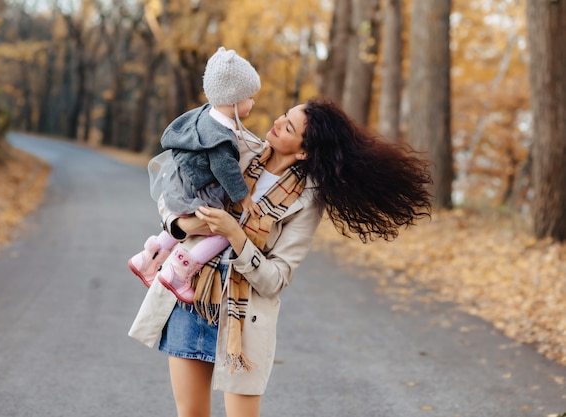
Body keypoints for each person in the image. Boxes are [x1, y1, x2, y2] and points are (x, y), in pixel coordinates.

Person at [128, 97, 433, 417]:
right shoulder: (238, 149)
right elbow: (174, 192)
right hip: (188, 299)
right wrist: (183, 225)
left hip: (242, 319)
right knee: (190, 413)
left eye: (288, 127)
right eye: (285, 115)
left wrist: (235, 234)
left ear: (304, 152)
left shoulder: (307, 201)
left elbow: (275, 280)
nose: (276, 122)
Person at [127, 47, 263, 303]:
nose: (253, 103)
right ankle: (180, 272)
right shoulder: (220, 136)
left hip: (180, 183)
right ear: (234, 100)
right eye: (250, 97)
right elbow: (226, 170)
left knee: (185, 219)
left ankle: (148, 257)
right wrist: (244, 199)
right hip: (198, 189)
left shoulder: (204, 115)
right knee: (225, 232)